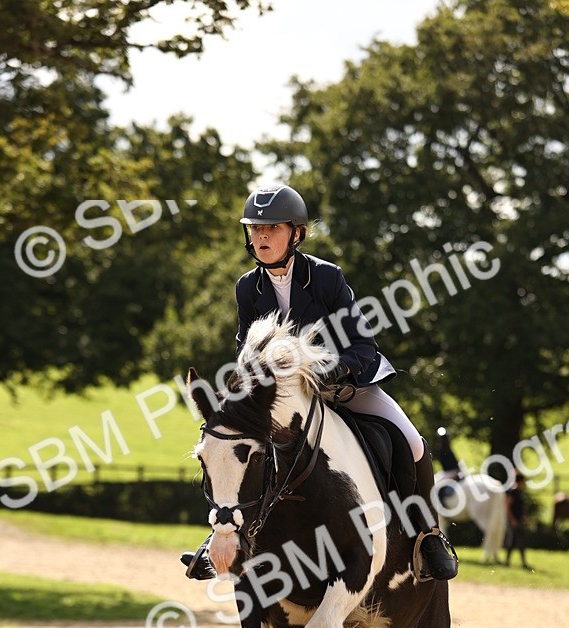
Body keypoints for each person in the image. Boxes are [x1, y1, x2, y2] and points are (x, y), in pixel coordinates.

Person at [183, 184, 458, 582]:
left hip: (344, 390)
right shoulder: (247, 287)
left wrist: (327, 372)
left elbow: (363, 346)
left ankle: (427, 537)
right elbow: (246, 352)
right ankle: (223, 535)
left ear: (297, 233)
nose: (261, 236)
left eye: (272, 228)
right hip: (285, 403)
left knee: (413, 443)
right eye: (255, 228)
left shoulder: (327, 278)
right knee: (229, 445)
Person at [505, 472, 532, 569]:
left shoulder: (520, 492)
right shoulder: (513, 492)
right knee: (515, 540)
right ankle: (515, 562)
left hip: (519, 519)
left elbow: (522, 508)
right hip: (514, 520)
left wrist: (525, 518)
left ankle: (510, 562)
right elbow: (507, 507)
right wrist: (512, 520)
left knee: (517, 541)